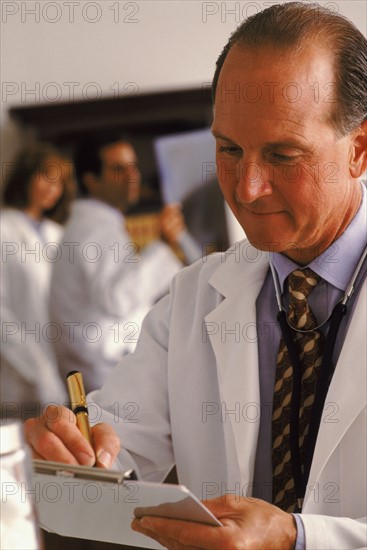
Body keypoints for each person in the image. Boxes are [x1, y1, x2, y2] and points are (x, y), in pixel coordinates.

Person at [25, 3, 367, 548]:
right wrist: (69, 454)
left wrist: (297, 539)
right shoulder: (192, 298)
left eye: (283, 155)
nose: (248, 189)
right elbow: (115, 447)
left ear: (359, 148)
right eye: (229, 149)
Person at [49, 136, 182, 393]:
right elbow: (118, 298)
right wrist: (164, 244)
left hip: (104, 370)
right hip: (107, 376)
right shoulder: (95, 228)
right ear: (91, 179)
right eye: (119, 169)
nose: (132, 175)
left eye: (133, 166)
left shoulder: (95, 223)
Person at [1, 144, 70, 420]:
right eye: (46, 177)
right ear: (25, 177)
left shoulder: (60, 234)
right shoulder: (4, 229)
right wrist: (36, 369)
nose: (53, 188)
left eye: (60, 182)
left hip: (63, 371)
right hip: (16, 379)